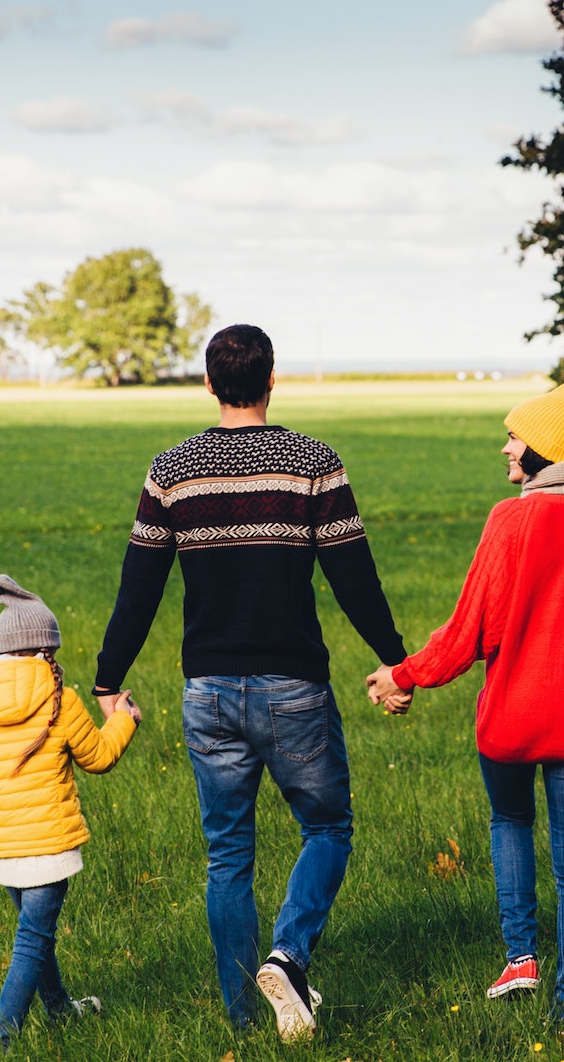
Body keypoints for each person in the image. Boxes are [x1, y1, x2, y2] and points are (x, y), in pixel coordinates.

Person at [92, 324, 409, 1042]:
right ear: (272, 379)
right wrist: (396, 660)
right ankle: (288, 957)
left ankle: (242, 1017)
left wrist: (108, 678)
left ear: (209, 384)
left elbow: (137, 586)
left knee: (228, 853)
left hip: (207, 689)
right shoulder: (313, 462)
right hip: (293, 683)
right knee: (327, 826)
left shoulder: (171, 469)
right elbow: (353, 576)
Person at [366, 371, 564, 1020]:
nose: (506, 448)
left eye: (513, 437)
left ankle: (521, 957)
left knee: (510, 822)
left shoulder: (510, 519)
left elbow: (469, 630)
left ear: (542, 447)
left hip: (512, 720)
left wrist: (402, 675)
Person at [0, 575, 142, 1055]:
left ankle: (59, 1009)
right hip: (50, 850)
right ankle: (1, 1042)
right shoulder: (60, 701)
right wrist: (125, 719)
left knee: (36, 938)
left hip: (5, 854)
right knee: (32, 943)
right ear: (44, 651)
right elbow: (98, 757)